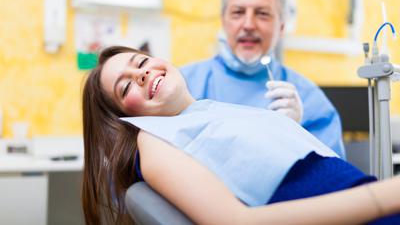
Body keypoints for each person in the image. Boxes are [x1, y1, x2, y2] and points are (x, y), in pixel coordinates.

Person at [81, 46, 400, 225]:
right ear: (124, 118)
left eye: (142, 62)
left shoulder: (205, 112)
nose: (143, 73)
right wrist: (383, 196)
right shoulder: (153, 142)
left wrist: (291, 128)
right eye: (125, 87)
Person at [180, 0, 345, 158]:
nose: (249, 24)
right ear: (224, 21)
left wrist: (297, 137)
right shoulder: (184, 83)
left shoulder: (309, 100)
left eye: (262, 13)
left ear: (281, 27)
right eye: (238, 12)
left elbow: (333, 178)